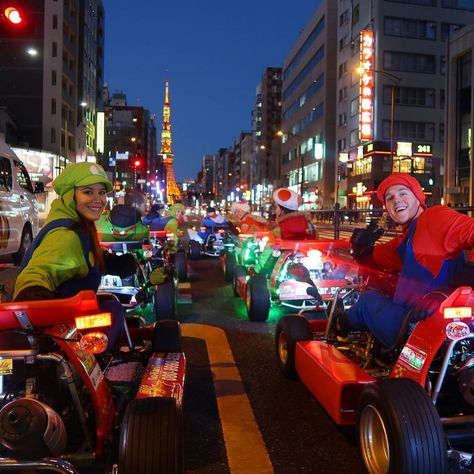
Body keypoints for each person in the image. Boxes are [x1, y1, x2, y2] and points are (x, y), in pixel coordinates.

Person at [337, 172, 474, 348]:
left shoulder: (435, 217)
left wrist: (455, 287)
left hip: (418, 325)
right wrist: (362, 251)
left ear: (418, 197)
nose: (396, 200)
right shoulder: (406, 239)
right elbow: (377, 261)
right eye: (389, 198)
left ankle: (341, 326)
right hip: (423, 322)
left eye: (403, 193)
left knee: (366, 301)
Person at [13, 162, 137, 350]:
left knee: (109, 303)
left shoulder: (77, 225)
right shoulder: (67, 235)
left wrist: (112, 263)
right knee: (113, 310)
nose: (98, 200)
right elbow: (36, 275)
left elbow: (82, 257)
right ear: (71, 196)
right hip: (60, 331)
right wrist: (40, 309)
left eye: (102, 192)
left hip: (67, 322)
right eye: (88, 192)